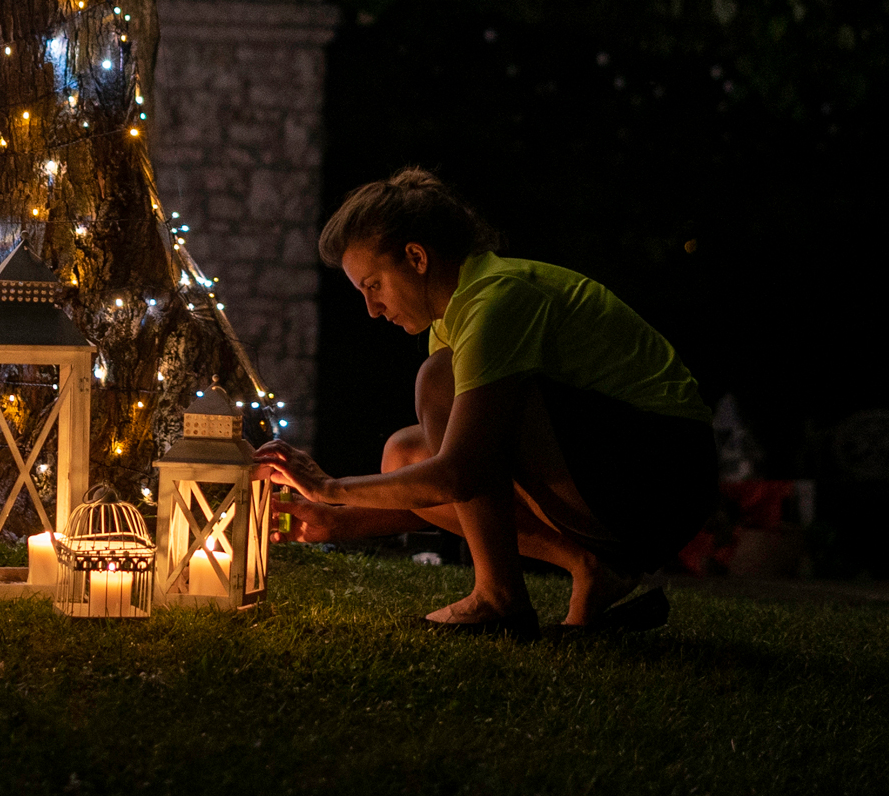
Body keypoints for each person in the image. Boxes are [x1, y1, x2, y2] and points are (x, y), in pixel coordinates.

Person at [254, 168, 716, 638]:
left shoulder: (495, 301)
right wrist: (338, 523)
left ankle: (498, 597)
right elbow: (469, 492)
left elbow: (461, 474)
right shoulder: (454, 317)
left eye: (373, 285)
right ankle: (589, 566)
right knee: (406, 454)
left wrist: (328, 487)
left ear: (416, 257)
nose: (371, 308)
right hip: (621, 472)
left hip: (665, 475)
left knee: (439, 382)